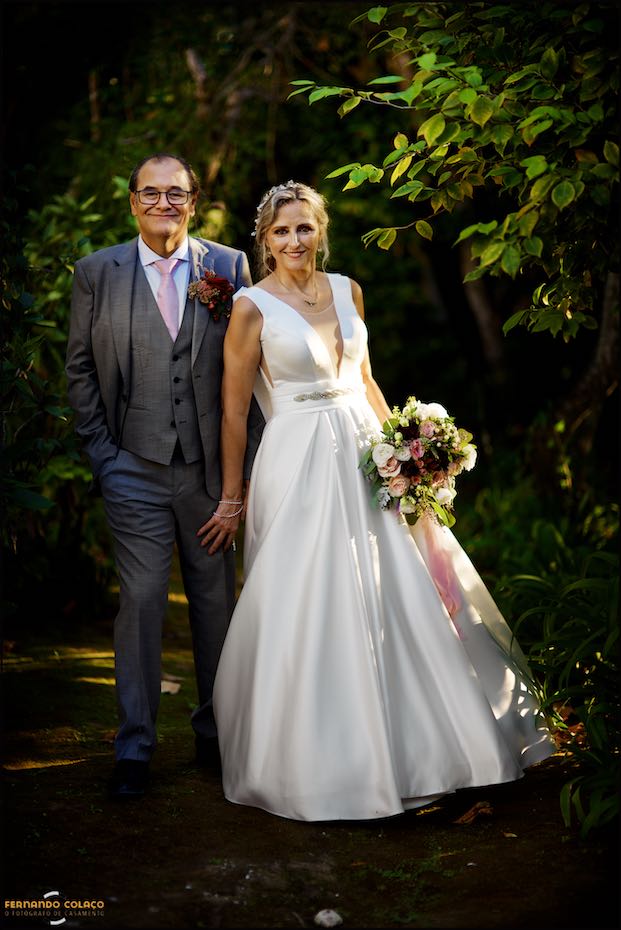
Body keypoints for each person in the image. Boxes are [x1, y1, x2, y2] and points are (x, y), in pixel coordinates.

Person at [200, 180, 555, 822]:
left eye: (305, 228)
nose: (294, 241)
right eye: (281, 232)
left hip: (367, 456)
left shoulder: (347, 290)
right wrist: (232, 496)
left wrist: (409, 455)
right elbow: (232, 410)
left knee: (399, 585)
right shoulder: (251, 307)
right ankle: (320, 762)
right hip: (298, 459)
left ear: (321, 229)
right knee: (314, 593)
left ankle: (428, 747)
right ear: (265, 239)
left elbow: (364, 379)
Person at [65, 152, 264, 800]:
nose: (162, 204)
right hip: (135, 470)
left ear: (194, 199)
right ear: (132, 202)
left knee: (214, 609)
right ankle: (134, 748)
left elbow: (254, 376)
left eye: (175, 193)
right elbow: (79, 372)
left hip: (212, 473)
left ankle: (217, 737)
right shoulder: (98, 272)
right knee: (145, 603)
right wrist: (105, 456)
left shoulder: (229, 268)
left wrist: (242, 481)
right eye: (149, 193)